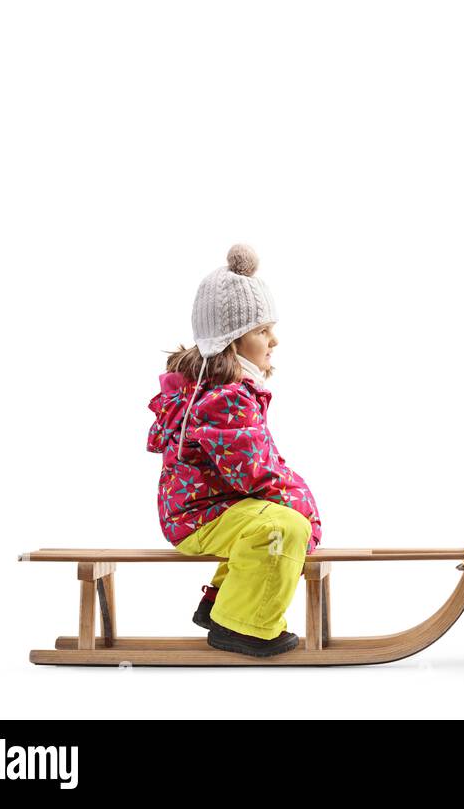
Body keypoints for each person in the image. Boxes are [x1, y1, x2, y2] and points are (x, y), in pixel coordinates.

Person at [146, 243, 323, 658]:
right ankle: (244, 626)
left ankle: (219, 603)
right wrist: (303, 506)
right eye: (262, 330)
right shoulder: (226, 398)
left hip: (204, 507)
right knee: (284, 528)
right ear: (231, 342)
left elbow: (255, 469)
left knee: (271, 518)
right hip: (199, 515)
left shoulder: (225, 390)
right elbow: (254, 473)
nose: (274, 339)